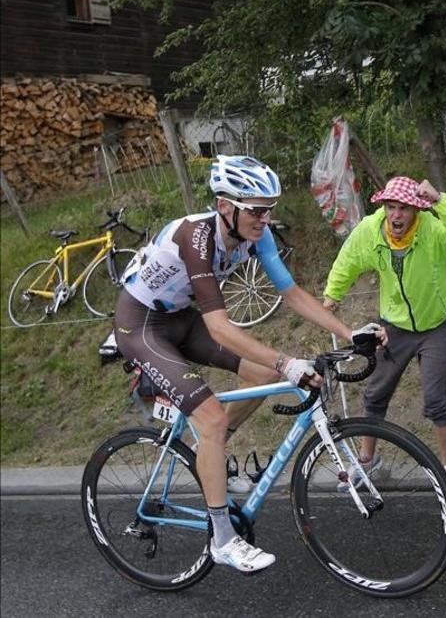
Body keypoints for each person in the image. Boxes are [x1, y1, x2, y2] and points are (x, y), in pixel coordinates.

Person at [114, 155, 383, 573]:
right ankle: (222, 540)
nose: (264, 218)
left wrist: (350, 333)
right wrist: (287, 361)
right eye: (256, 210)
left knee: (263, 375)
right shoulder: (196, 237)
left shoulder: (257, 235)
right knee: (212, 417)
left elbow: (292, 293)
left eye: (269, 209)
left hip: (181, 318)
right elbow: (220, 328)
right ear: (225, 206)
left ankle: (212, 454)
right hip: (142, 326)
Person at [322, 175, 446, 493]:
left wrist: (440, 201)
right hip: (393, 328)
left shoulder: (433, 230)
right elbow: (348, 260)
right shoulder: (371, 230)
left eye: (403, 208)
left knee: (436, 400)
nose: (396, 215)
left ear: (416, 210)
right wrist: (332, 295)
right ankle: (368, 461)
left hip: (435, 328)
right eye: (390, 207)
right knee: (374, 395)